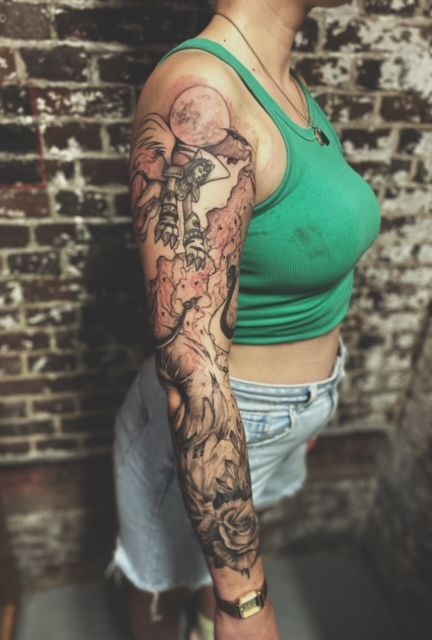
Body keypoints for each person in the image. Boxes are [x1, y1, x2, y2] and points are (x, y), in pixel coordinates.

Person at [105, 0, 382, 638]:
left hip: (284, 415)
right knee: (162, 591)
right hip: (226, 425)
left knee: (200, 587)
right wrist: (245, 603)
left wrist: (311, 409)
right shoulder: (204, 96)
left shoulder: (285, 84)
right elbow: (192, 372)